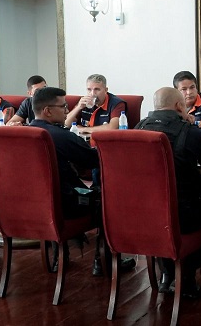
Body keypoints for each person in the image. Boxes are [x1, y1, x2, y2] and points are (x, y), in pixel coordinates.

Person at [29, 86, 135, 275]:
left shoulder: (23, 133)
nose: (67, 111)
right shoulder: (60, 136)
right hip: (66, 205)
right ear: (48, 111)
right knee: (108, 200)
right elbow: (94, 160)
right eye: (63, 106)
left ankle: (60, 256)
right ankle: (104, 261)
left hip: (32, 207)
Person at [136, 87, 201, 299]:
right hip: (183, 215)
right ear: (179, 106)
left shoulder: (137, 129)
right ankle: (186, 275)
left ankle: (168, 274)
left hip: (143, 214)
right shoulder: (189, 132)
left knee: (166, 214)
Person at [65, 74, 128, 190]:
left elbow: (112, 128)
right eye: (89, 89)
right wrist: (78, 107)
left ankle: (97, 190)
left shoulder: (116, 104)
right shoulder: (84, 102)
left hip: (104, 147)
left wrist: (83, 129)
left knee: (97, 158)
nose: (92, 93)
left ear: (106, 90)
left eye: (97, 89)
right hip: (83, 144)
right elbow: (65, 123)